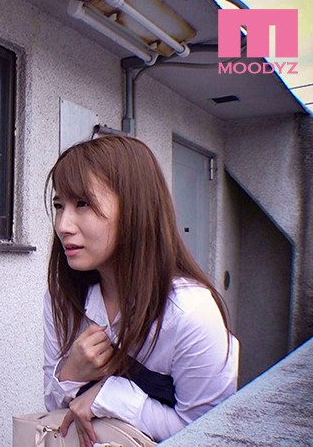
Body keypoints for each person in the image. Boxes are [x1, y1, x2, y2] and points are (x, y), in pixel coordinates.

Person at [42, 136, 239, 446]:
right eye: (58, 206)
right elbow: (55, 412)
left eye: (82, 203)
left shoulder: (190, 313)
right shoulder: (63, 298)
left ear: (134, 208)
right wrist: (71, 373)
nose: (63, 225)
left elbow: (208, 434)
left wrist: (112, 396)